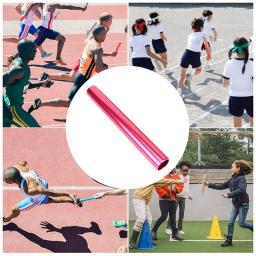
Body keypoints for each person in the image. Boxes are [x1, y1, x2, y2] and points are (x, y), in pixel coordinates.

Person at [28, 25, 108, 113]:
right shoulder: (98, 49)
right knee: (69, 102)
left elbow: (92, 58)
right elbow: (99, 68)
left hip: (80, 74)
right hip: (83, 78)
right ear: (97, 35)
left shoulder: (89, 41)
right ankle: (40, 103)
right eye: (103, 34)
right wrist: (106, 67)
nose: (105, 36)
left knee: (91, 97)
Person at [40, 12, 116, 82]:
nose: (111, 23)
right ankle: (47, 76)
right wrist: (110, 54)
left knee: (73, 77)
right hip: (88, 60)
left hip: (85, 57)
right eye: (110, 21)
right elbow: (94, 50)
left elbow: (89, 35)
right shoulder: (98, 34)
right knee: (104, 72)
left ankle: (47, 76)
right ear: (105, 22)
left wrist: (106, 30)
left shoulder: (96, 26)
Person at [3, 161, 83, 223]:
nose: (3, 179)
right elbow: (24, 162)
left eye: (5, 179)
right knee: (49, 200)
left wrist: (68, 194)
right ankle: (72, 201)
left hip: (38, 196)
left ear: (12, 181)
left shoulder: (30, 190)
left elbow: (51, 193)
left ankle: (6, 219)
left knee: (15, 209)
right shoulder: (17, 167)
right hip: (43, 184)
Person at [3, 39, 53, 127]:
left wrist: (41, 83)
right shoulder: (18, 69)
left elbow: (23, 85)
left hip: (8, 106)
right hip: (13, 109)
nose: (36, 51)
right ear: (26, 51)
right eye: (33, 49)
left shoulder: (22, 65)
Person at [203, 160, 253, 247]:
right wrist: (209, 184)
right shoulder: (231, 179)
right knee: (230, 222)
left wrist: (229, 194)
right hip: (235, 204)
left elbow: (241, 190)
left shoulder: (242, 179)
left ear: (238, 168)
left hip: (243, 204)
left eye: (233, 167)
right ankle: (229, 240)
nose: (231, 168)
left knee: (242, 223)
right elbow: (222, 186)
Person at [129, 177, 184, 249]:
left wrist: (174, 183)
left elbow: (161, 184)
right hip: (139, 198)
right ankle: (133, 241)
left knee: (149, 220)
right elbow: (164, 181)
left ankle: (146, 240)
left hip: (144, 200)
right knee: (141, 218)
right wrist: (178, 181)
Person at [223, 37, 253, 127]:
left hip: (235, 98)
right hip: (251, 97)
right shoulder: (252, 64)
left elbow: (225, 84)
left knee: (237, 127)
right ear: (247, 49)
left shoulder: (229, 63)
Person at [177, 18, 208, 97]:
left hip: (186, 53)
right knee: (198, 69)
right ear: (201, 28)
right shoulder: (201, 35)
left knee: (181, 76)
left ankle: (179, 93)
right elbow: (206, 44)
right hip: (195, 55)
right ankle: (190, 76)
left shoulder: (190, 35)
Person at [151, 169, 184, 241]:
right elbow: (157, 186)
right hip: (164, 200)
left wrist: (175, 190)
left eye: (174, 167)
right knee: (164, 216)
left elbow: (180, 185)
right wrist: (164, 194)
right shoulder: (163, 175)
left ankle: (174, 234)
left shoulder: (177, 177)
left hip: (173, 200)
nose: (173, 168)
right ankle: (154, 231)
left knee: (173, 217)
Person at [176, 161, 192, 235]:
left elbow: (187, 187)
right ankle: (169, 227)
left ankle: (179, 228)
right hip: (176, 197)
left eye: (187, 171)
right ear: (180, 170)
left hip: (183, 198)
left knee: (181, 214)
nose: (185, 172)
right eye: (184, 171)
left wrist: (189, 195)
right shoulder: (178, 177)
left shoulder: (188, 177)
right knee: (173, 213)